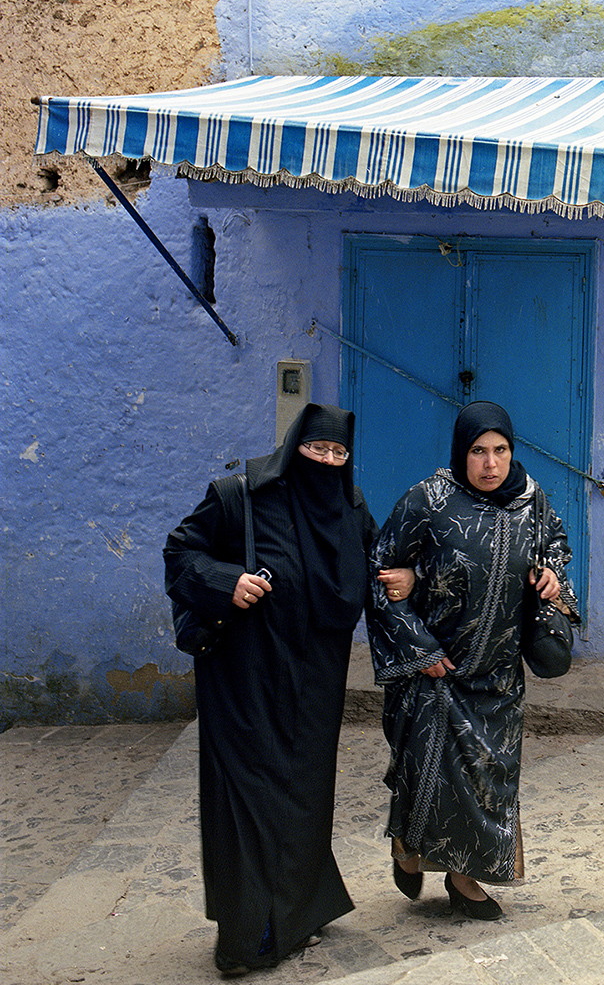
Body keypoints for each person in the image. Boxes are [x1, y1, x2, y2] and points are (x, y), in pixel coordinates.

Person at [164, 403, 407, 976]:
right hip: (243, 682)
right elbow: (181, 552)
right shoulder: (239, 496)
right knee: (249, 800)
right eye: (316, 449)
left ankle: (298, 914)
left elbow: (377, 566)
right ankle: (247, 936)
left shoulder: (350, 508)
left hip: (316, 688)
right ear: (293, 446)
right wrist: (230, 581)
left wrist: (408, 577)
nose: (326, 460)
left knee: (303, 797)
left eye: (337, 453)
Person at [368, 400, 580, 920]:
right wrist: (419, 649)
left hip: (498, 677)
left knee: (489, 782)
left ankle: (464, 879)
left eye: (501, 451)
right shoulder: (429, 501)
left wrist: (552, 572)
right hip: (437, 672)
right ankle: (407, 847)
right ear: (461, 453)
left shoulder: (532, 503)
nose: (491, 464)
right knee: (428, 774)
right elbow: (381, 573)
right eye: (479, 452)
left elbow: (555, 545)